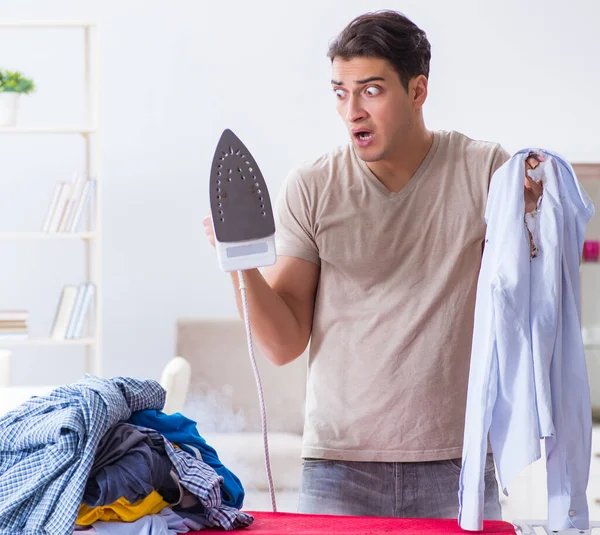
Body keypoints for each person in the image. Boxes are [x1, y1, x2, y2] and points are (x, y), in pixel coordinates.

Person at [204, 9, 541, 520]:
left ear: (417, 91)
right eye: (340, 91)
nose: (352, 110)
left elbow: (528, 293)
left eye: (371, 90)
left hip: (458, 460)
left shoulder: (484, 170)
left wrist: (537, 213)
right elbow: (282, 344)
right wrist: (240, 262)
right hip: (340, 467)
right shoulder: (313, 186)